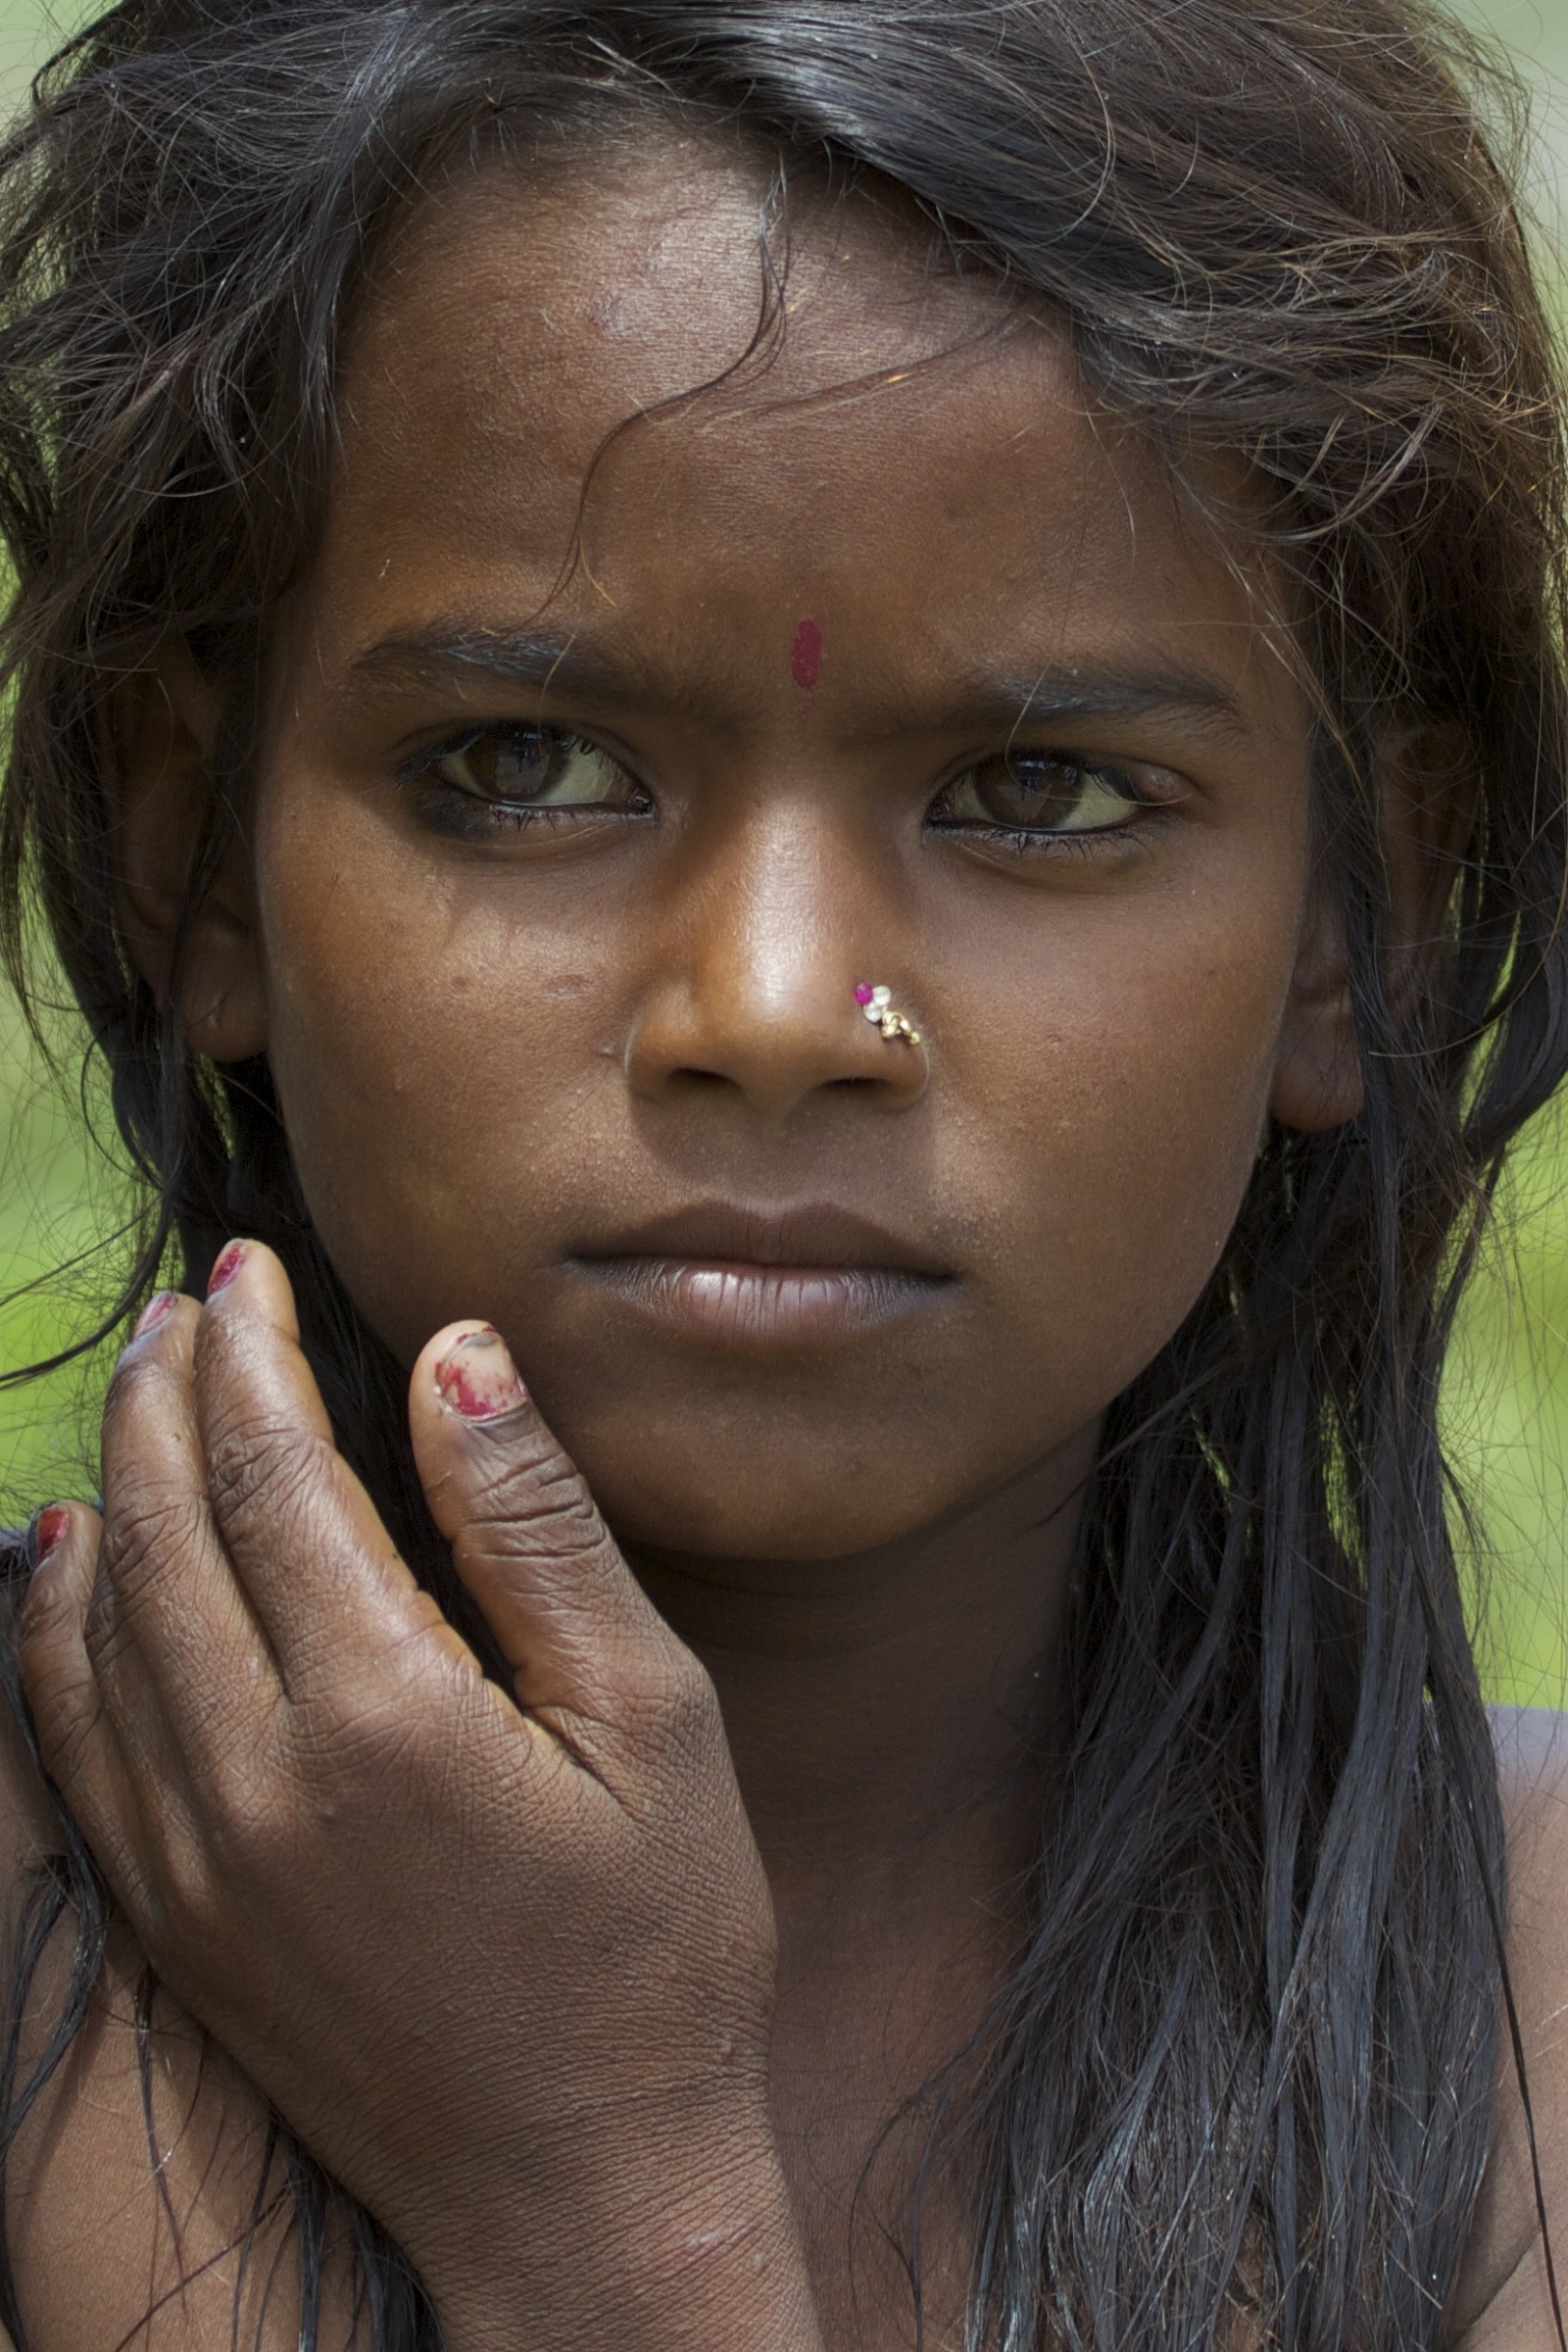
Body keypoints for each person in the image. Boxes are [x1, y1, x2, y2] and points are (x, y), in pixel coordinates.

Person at [0, 0, 1564, 2344]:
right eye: (524, 764)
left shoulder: (1525, 2013)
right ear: (190, 855)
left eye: (1034, 794)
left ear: (1369, 918)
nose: (771, 1013)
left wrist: (609, 2213)